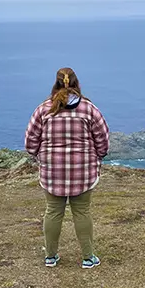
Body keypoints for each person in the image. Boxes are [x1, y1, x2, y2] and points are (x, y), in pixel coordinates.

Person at [25, 67, 110, 269]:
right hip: (83, 172)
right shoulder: (89, 109)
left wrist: (41, 156)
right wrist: (97, 156)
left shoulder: (43, 110)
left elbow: (30, 142)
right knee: (82, 212)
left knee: (53, 211)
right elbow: (103, 140)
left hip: (52, 172)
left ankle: (50, 257)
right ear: (76, 83)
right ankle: (88, 258)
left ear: (56, 83)